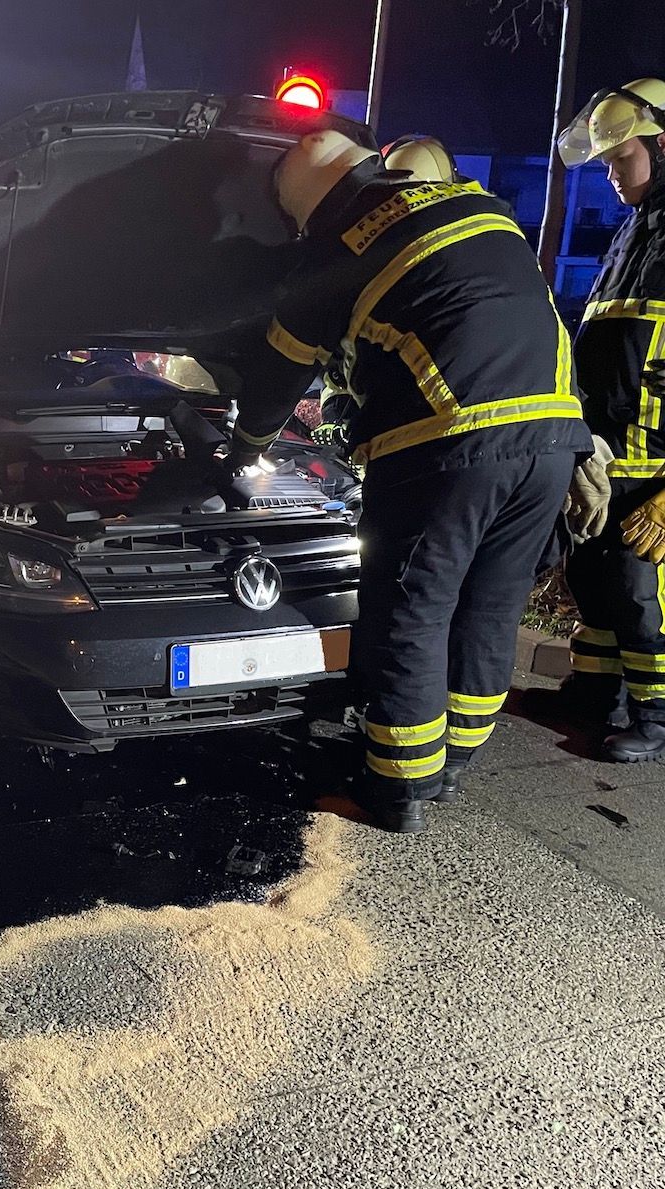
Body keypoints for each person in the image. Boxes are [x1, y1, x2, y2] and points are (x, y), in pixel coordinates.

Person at [229, 128, 593, 833]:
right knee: (490, 607)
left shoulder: (338, 250)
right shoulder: (476, 205)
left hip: (449, 445)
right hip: (553, 440)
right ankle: (449, 765)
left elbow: (278, 379)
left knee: (410, 610)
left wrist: (243, 449)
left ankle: (394, 790)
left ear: (305, 204)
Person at [556, 78, 665, 762]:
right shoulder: (635, 234)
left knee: (639, 590)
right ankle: (596, 694)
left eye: (621, 158)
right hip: (607, 457)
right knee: (594, 579)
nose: (611, 174)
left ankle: (656, 716)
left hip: (656, 471)